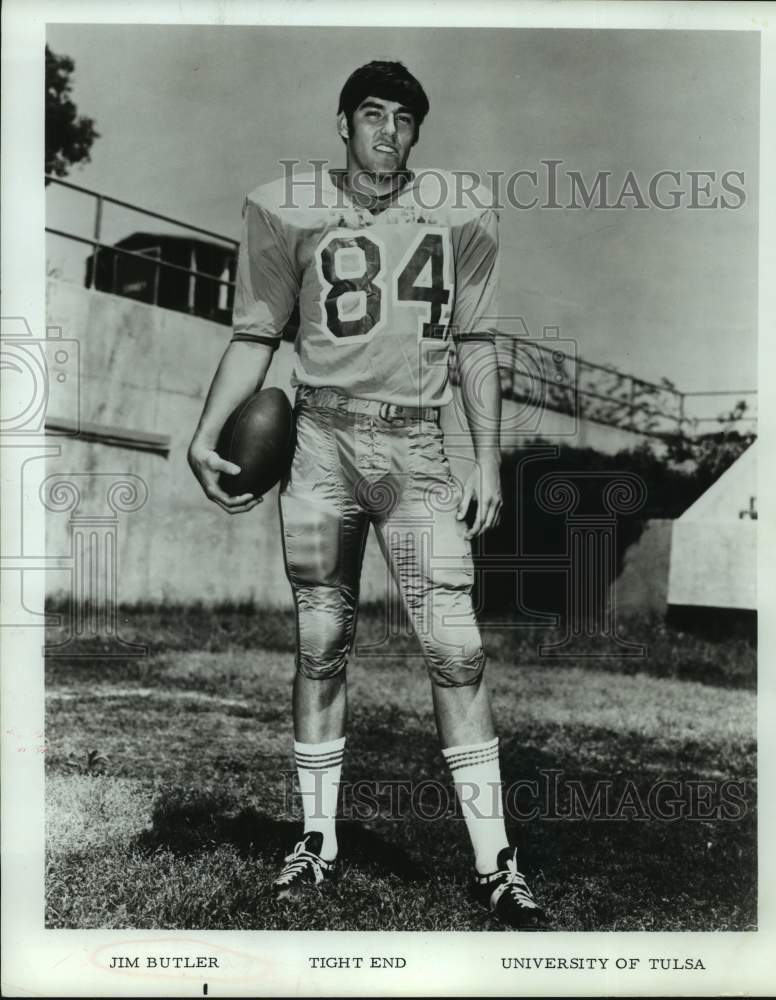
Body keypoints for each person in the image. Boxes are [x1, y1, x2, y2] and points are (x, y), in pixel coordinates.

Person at [188, 60, 548, 929]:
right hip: (317, 446)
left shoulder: (459, 212)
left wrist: (486, 460)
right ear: (343, 123)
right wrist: (207, 430)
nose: (388, 130)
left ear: (417, 133)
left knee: (456, 647)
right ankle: (317, 840)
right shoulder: (285, 207)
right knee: (320, 636)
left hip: (417, 452)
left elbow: (474, 344)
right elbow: (255, 333)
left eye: (404, 119)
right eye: (372, 114)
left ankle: (494, 861)